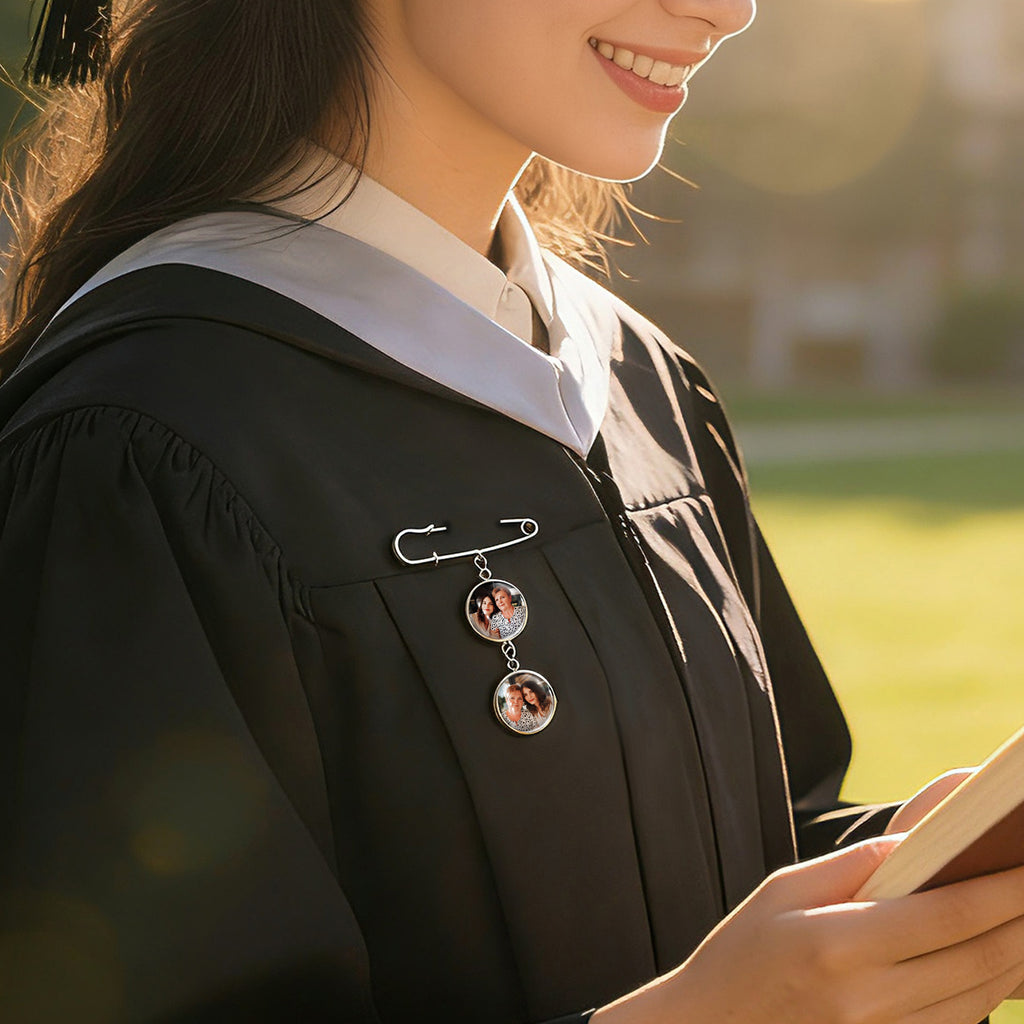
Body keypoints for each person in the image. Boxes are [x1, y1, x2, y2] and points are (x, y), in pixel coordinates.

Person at [2, 1, 1023, 1022]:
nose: (727, 8)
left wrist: (937, 879)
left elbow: (757, 846)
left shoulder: (637, 379)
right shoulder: (139, 446)